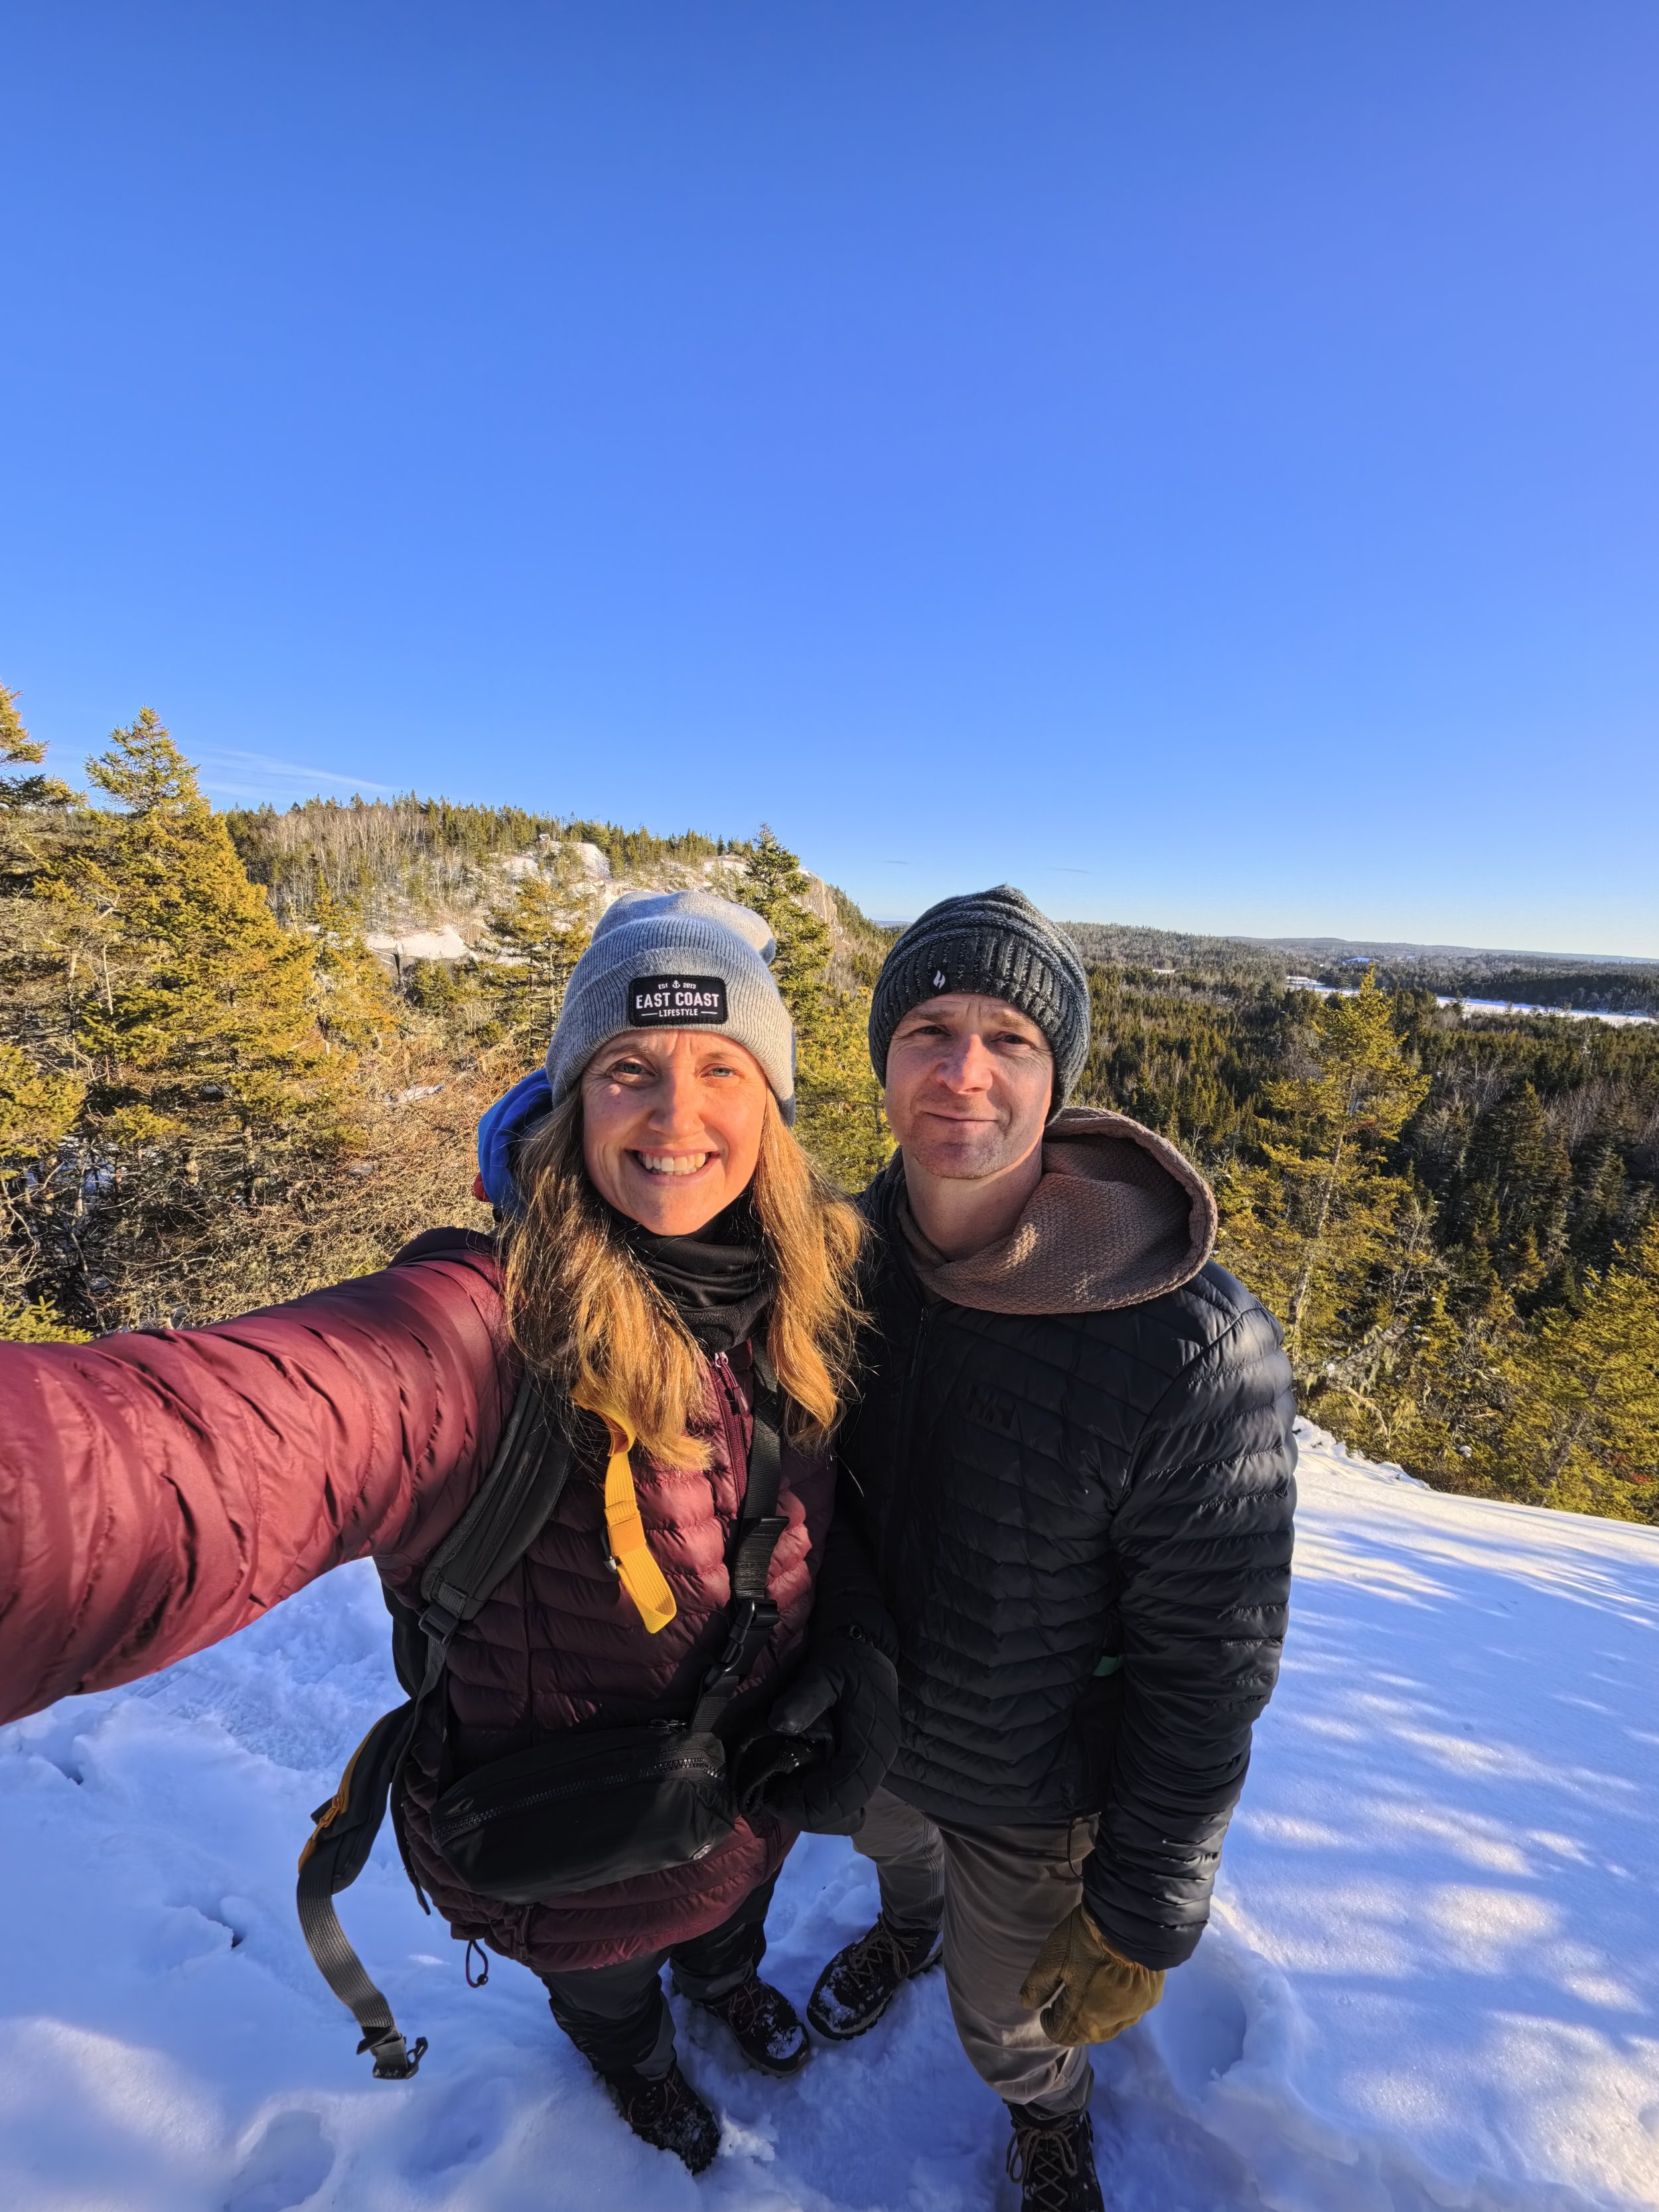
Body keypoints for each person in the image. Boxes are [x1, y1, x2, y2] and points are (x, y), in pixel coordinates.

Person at [0, 889, 898, 2176]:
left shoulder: (795, 1304)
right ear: (569, 1100)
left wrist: (852, 1628)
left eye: (723, 1069)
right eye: (628, 1068)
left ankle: (721, 1978)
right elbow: (186, 1452)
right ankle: (635, 2064)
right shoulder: (484, 1328)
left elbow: (816, 1506)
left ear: (774, 1110)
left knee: (720, 1925)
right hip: (567, 1853)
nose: (678, 1113)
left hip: (741, 1801)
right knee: (607, 1991)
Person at [806, 887, 1297, 2212]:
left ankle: (1043, 2114)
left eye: (1009, 1039)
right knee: (892, 1857)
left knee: (1012, 2015)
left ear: (1058, 1074)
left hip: (1040, 1789)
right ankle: (905, 1925)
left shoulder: (1191, 1343)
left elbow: (1211, 1657)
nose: (963, 1070)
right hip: (873, 1721)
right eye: (927, 1026)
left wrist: (1142, 1903)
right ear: (882, 1056)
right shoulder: (833, 1263)